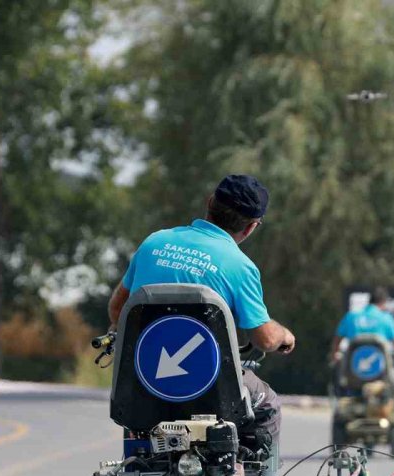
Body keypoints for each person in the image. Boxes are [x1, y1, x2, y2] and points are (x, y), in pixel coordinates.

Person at [107, 174, 295, 450]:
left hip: (143, 380)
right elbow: (264, 340)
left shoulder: (153, 243)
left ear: (210, 203)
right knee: (267, 405)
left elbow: (117, 309)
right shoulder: (240, 267)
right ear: (252, 226)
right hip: (210, 389)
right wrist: (285, 336)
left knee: (139, 422)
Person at [330, 287, 394, 398]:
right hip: (381, 374)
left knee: (338, 374)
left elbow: (337, 340)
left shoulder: (351, 316)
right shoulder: (386, 319)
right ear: (383, 302)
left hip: (351, 372)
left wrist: (334, 355)